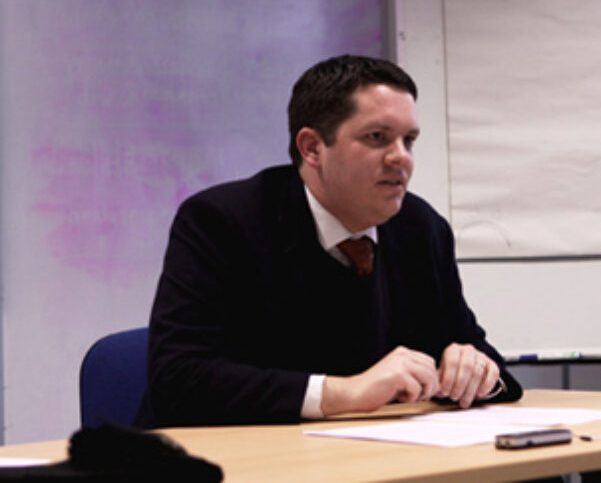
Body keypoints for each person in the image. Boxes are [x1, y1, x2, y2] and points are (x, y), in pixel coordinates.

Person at [135, 55, 522, 428]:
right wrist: (344, 393)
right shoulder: (222, 221)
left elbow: (491, 366)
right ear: (312, 148)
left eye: (409, 140)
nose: (401, 158)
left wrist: (477, 372)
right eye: (377, 137)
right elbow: (179, 380)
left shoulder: (420, 228)